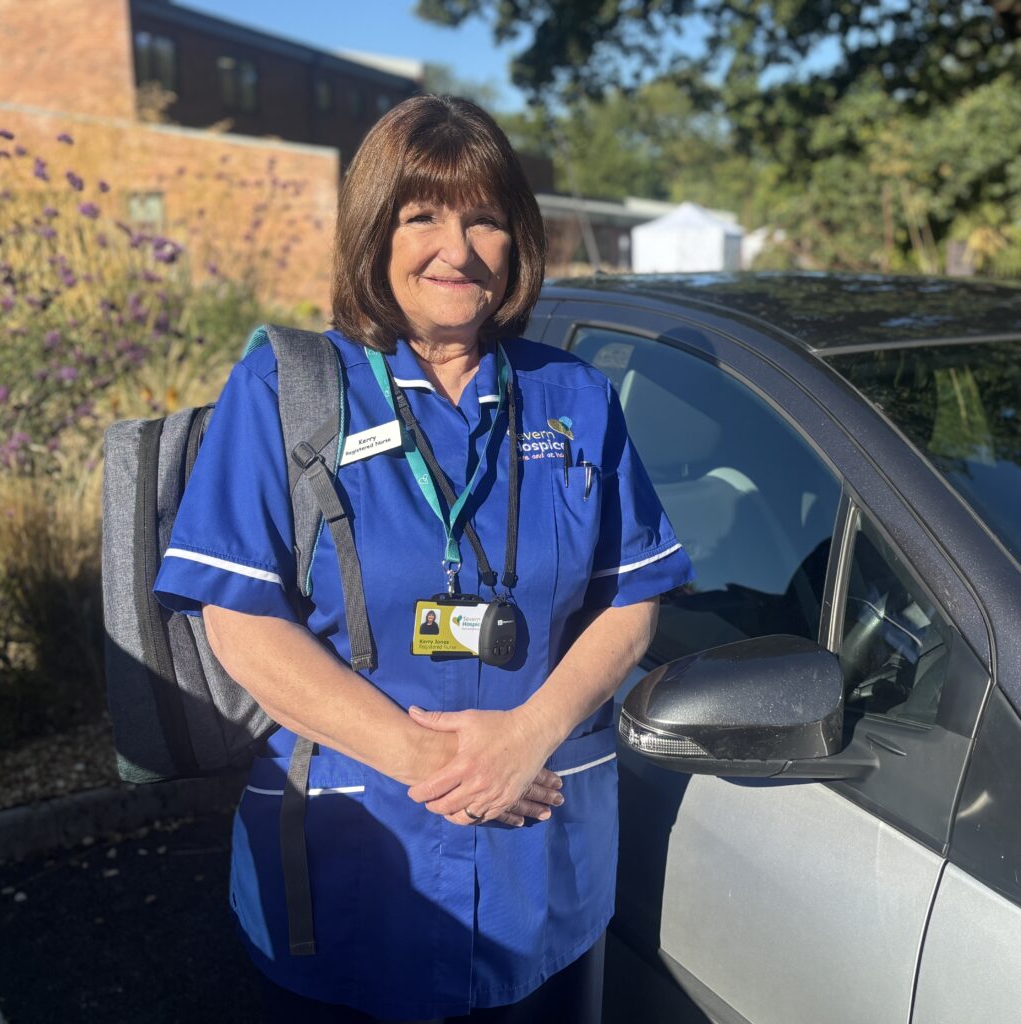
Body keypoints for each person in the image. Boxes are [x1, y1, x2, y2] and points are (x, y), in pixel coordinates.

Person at [153, 94, 694, 1023]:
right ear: (373, 233)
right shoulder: (288, 390)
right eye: (423, 216)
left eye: (485, 217)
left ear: (517, 239)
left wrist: (524, 736)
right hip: (352, 866)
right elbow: (241, 621)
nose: (458, 247)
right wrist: (425, 758)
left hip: (542, 875)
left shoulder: (575, 399)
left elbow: (630, 601)